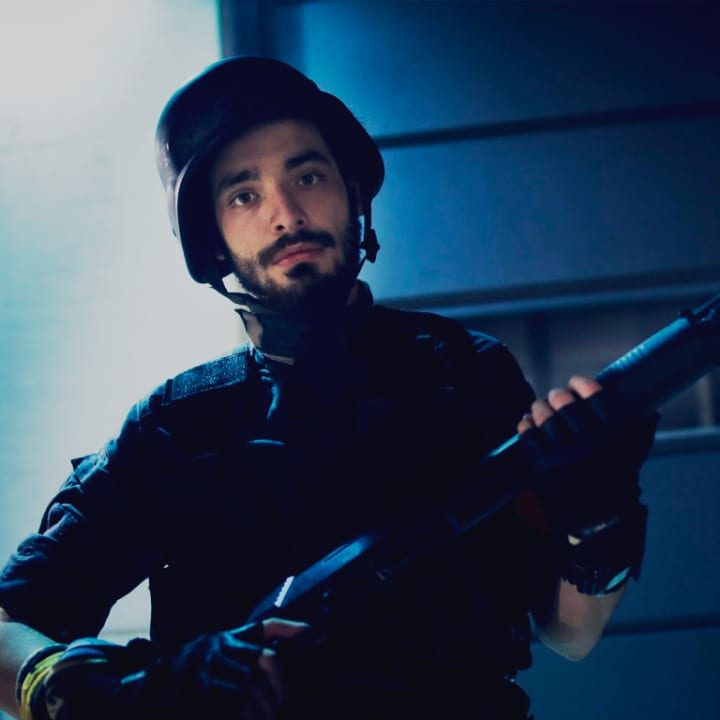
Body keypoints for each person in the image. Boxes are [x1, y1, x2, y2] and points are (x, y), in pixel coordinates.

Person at [0, 56, 656, 720]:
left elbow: (569, 634)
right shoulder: (175, 431)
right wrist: (90, 691)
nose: (287, 215)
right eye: (244, 195)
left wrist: (598, 519)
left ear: (352, 194)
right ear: (212, 239)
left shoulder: (465, 374)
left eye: (307, 176)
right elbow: (7, 625)